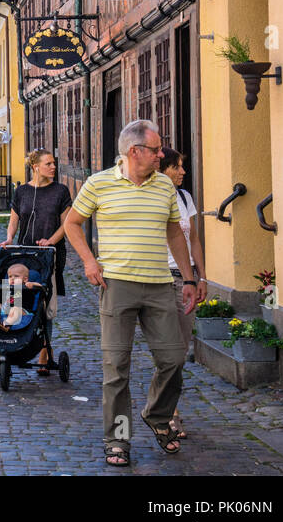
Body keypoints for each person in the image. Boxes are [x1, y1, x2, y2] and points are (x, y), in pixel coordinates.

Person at [63, 120, 197, 468]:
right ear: (135, 152)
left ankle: (157, 415)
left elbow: (174, 233)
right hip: (116, 286)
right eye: (156, 149)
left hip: (159, 286)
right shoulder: (99, 183)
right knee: (117, 369)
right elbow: (72, 223)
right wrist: (89, 261)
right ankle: (118, 440)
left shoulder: (164, 186)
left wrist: (189, 279)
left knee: (173, 358)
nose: (161, 155)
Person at [0, 148, 73, 374]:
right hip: (24, 254)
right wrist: (9, 238)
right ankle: (14, 342)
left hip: (49, 254)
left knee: (44, 302)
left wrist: (50, 241)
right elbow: (14, 220)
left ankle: (43, 350)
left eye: (54, 163)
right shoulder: (22, 191)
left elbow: (67, 224)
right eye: (48, 163)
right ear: (35, 167)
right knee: (19, 297)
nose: (53, 167)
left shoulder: (60, 191)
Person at [160, 146, 206, 440]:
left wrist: (202, 276)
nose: (182, 172)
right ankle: (169, 413)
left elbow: (194, 240)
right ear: (162, 169)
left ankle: (165, 406)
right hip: (160, 279)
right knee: (169, 350)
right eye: (176, 166)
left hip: (185, 280)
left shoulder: (185, 197)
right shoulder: (152, 198)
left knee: (180, 351)